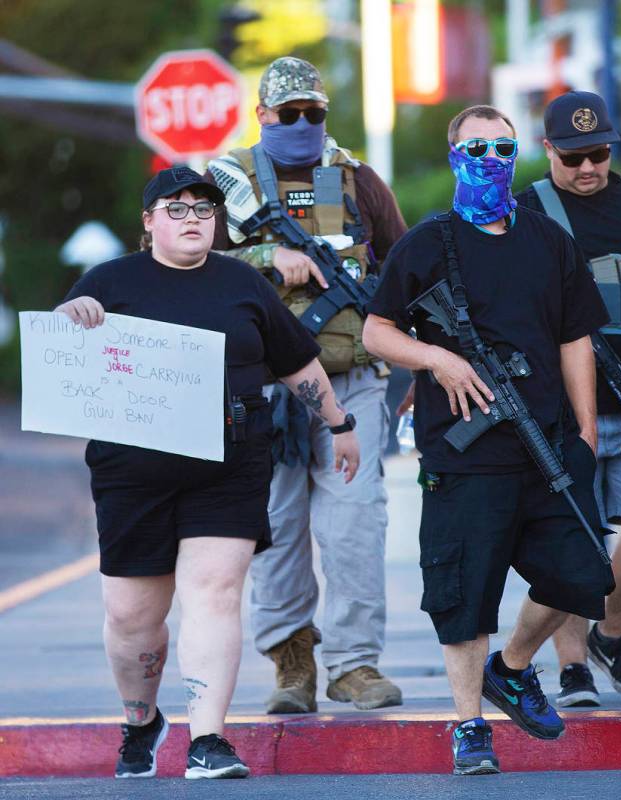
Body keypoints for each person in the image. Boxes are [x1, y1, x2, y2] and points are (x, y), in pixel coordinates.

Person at [55, 167, 360, 779]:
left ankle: (207, 739)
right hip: (132, 471)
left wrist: (338, 423)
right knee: (131, 617)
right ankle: (141, 721)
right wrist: (74, 313)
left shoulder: (243, 283)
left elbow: (297, 362)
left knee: (215, 594)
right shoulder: (108, 282)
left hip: (231, 460)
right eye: (176, 209)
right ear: (149, 222)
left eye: (203, 210)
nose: (192, 219)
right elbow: (61, 355)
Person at [362, 105, 614, 776]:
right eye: (476, 150)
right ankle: (469, 724)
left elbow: (573, 337)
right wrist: (436, 359)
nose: (491, 160)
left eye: (502, 147)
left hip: (547, 443)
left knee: (583, 573)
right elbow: (375, 331)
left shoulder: (546, 239)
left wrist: (585, 429)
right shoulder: (425, 243)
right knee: (463, 591)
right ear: (453, 157)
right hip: (465, 452)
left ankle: (511, 668)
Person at [206, 57, 407, 713]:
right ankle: (292, 664)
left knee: (355, 528)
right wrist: (268, 257)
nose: (300, 124)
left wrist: (410, 372)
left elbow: (404, 275)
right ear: (261, 115)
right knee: (275, 531)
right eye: (286, 114)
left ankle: (355, 664)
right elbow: (185, 262)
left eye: (312, 113)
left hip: (350, 383)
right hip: (260, 391)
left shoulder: (356, 182)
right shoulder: (223, 184)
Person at [516, 90, 621, 707]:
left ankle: (610, 636)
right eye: (573, 157)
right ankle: (570, 667)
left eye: (597, 155)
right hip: (564, 409)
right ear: (548, 152)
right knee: (574, 536)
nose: (587, 169)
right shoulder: (527, 209)